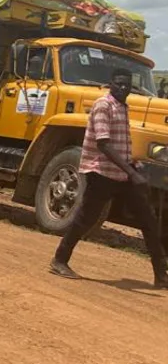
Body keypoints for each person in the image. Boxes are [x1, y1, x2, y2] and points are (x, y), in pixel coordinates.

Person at [50, 68, 168, 286]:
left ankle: (161, 276)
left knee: (148, 221)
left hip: (123, 174)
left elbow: (121, 144)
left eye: (127, 85)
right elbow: (103, 144)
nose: (123, 88)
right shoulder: (103, 106)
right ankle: (59, 260)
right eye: (119, 84)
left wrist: (134, 166)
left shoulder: (123, 107)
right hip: (102, 172)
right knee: (86, 219)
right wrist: (132, 172)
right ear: (111, 84)